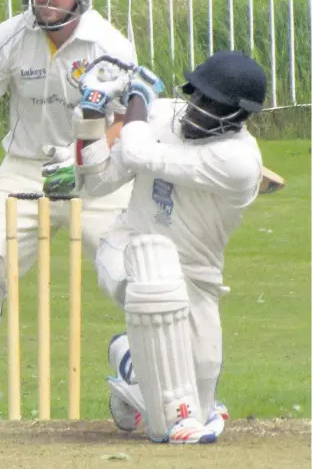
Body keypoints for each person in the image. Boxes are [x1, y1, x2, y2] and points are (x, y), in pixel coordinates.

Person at [0, 0, 137, 421]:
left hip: (94, 171)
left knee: (135, 275)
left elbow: (126, 119)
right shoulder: (11, 35)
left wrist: (81, 158)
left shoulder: (109, 44)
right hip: (23, 168)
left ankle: (143, 373)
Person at [74, 50, 267, 443]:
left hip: (196, 274)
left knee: (198, 395)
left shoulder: (238, 161)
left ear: (238, 115)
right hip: (129, 249)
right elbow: (96, 183)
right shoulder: (161, 116)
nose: (198, 109)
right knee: (174, 418)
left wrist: (137, 100)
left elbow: (139, 151)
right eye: (197, 97)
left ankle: (130, 366)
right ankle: (167, 406)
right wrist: (92, 114)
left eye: (212, 104)